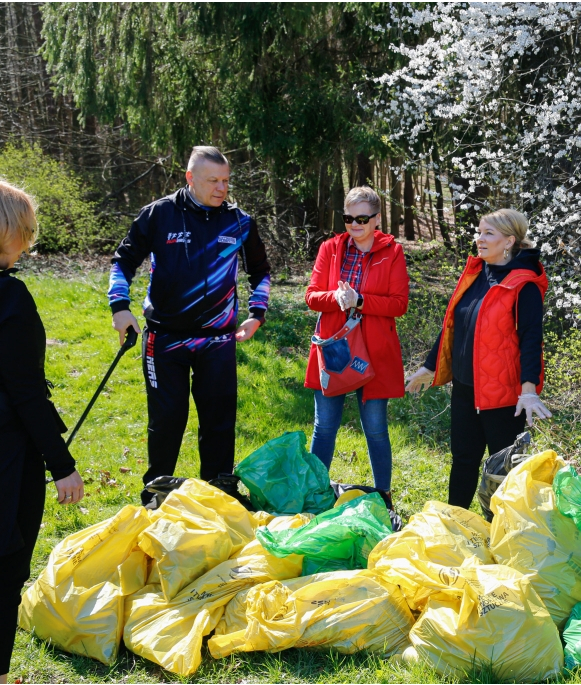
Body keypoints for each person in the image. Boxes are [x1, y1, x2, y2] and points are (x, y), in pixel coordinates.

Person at [108, 146, 271, 505]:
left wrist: (257, 314)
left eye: (226, 181)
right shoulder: (159, 214)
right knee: (167, 421)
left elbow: (261, 273)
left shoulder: (240, 221)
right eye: (213, 180)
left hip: (218, 341)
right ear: (190, 178)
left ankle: (218, 494)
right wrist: (120, 307)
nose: (221, 188)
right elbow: (122, 263)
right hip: (165, 339)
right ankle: (156, 495)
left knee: (219, 422)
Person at [405, 208, 552, 509]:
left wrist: (528, 390)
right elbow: (454, 324)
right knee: (463, 461)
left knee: (503, 472)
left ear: (509, 241)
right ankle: (455, 523)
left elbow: (531, 340)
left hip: (502, 398)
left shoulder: (523, 285)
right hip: (465, 388)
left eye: (488, 234)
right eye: (479, 232)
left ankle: (501, 534)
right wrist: (429, 366)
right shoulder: (475, 273)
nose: (479, 239)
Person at [0, 181, 84, 685]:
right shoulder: (10, 299)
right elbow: (27, 393)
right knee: (7, 566)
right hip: (8, 457)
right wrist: (63, 465)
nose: (29, 243)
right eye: (24, 232)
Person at [304, 187, 408, 507]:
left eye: (362, 218)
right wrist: (335, 299)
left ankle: (383, 496)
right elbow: (312, 296)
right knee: (324, 427)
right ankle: (316, 492)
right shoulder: (331, 249)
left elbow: (398, 304)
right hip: (335, 348)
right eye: (349, 218)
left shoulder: (393, 252)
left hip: (374, 352)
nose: (354, 224)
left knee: (375, 428)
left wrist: (361, 301)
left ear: (377, 219)